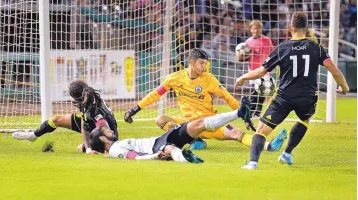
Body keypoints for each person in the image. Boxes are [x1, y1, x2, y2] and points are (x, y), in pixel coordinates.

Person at [236, 12, 350, 169]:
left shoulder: (282, 48)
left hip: (284, 97)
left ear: (291, 28)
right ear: (307, 28)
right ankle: (287, 153)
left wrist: (243, 77)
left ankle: (253, 163)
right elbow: (335, 71)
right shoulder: (316, 48)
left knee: (262, 130)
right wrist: (344, 87)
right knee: (304, 120)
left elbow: (261, 72)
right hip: (307, 97)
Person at [124, 48, 286, 152]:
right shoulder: (173, 79)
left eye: (206, 64)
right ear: (191, 62)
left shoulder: (209, 79)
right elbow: (155, 94)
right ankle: (195, 139)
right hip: (188, 125)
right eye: (201, 63)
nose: (204, 67)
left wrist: (244, 114)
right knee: (160, 119)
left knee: (236, 133)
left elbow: (227, 98)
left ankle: (268, 145)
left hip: (210, 122)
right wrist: (134, 109)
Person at [91, 96, 254, 163]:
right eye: (105, 131)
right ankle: (187, 159)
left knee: (196, 124)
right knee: (170, 149)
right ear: (102, 139)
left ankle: (239, 112)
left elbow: (86, 146)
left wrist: (87, 149)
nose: (110, 130)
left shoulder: (114, 145)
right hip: (157, 147)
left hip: (161, 139)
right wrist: (156, 155)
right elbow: (135, 157)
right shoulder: (114, 150)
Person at [13, 80, 119, 154]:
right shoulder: (87, 101)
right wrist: (87, 149)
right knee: (56, 120)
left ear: (76, 96)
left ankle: (103, 147)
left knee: (79, 148)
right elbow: (84, 126)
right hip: (93, 126)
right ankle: (33, 135)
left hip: (105, 134)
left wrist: (104, 147)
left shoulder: (93, 108)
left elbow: (105, 126)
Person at [237, 20, 274, 117]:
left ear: (261, 29)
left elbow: (272, 53)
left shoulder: (267, 40)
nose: (256, 30)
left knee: (260, 91)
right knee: (256, 91)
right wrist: (240, 57)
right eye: (254, 28)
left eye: (258, 28)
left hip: (264, 70)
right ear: (251, 30)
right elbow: (244, 57)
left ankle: (255, 112)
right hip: (253, 70)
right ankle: (253, 112)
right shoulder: (247, 42)